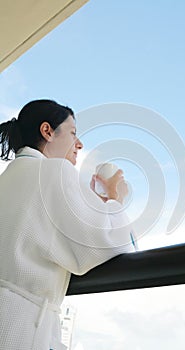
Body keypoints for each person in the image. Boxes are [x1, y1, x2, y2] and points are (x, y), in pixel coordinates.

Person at [0, 99, 136, 350]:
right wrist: (115, 199)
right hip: (18, 329)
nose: (79, 144)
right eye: (73, 133)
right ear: (47, 131)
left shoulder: (6, 179)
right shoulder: (55, 172)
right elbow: (108, 243)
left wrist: (93, 206)